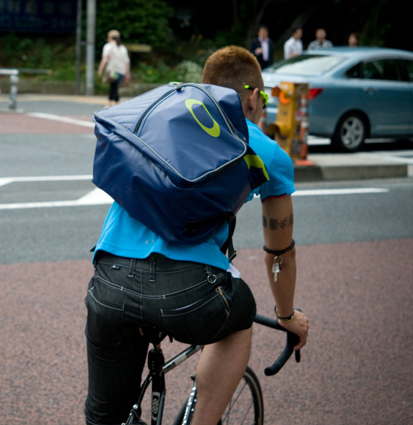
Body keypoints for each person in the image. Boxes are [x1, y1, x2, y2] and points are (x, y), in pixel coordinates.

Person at [84, 45, 309, 425]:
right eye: (265, 98)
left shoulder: (164, 118)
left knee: (107, 418)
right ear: (253, 97)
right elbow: (280, 253)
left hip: (109, 279)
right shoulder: (265, 152)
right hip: (189, 292)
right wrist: (286, 314)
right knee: (240, 312)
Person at [97, 29, 130, 108]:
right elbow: (127, 62)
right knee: (114, 86)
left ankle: (114, 102)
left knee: (113, 86)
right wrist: (127, 73)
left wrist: (100, 69)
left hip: (112, 71)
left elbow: (105, 59)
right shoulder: (123, 48)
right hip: (121, 72)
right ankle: (113, 102)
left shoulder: (108, 46)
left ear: (109, 37)